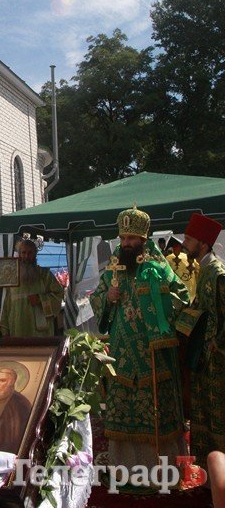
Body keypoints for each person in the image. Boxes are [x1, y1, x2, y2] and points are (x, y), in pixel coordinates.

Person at [90, 206, 189, 482]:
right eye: (122, 239)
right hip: (122, 353)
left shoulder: (157, 267)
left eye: (131, 239)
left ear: (143, 240)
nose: (125, 244)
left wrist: (158, 295)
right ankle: (127, 470)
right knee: (124, 410)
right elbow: (97, 298)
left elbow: (182, 297)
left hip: (151, 353)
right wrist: (108, 297)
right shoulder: (114, 268)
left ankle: (160, 472)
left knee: (155, 409)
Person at [182, 212, 225, 471]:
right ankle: (210, 472)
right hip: (204, 356)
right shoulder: (204, 268)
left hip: (217, 358)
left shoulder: (218, 272)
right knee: (204, 411)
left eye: (189, 238)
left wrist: (216, 345)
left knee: (219, 414)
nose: (185, 243)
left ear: (204, 244)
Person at [0, 238, 64, 337]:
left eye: (30, 253)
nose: (26, 256)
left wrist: (40, 299)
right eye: (23, 253)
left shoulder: (45, 275)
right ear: (19, 255)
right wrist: (5, 331)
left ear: (35, 254)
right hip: (17, 332)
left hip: (41, 334)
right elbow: (6, 305)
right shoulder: (12, 277)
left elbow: (59, 294)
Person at [165, 235, 199, 301]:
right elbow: (198, 274)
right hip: (192, 294)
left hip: (177, 295)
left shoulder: (168, 259)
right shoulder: (192, 259)